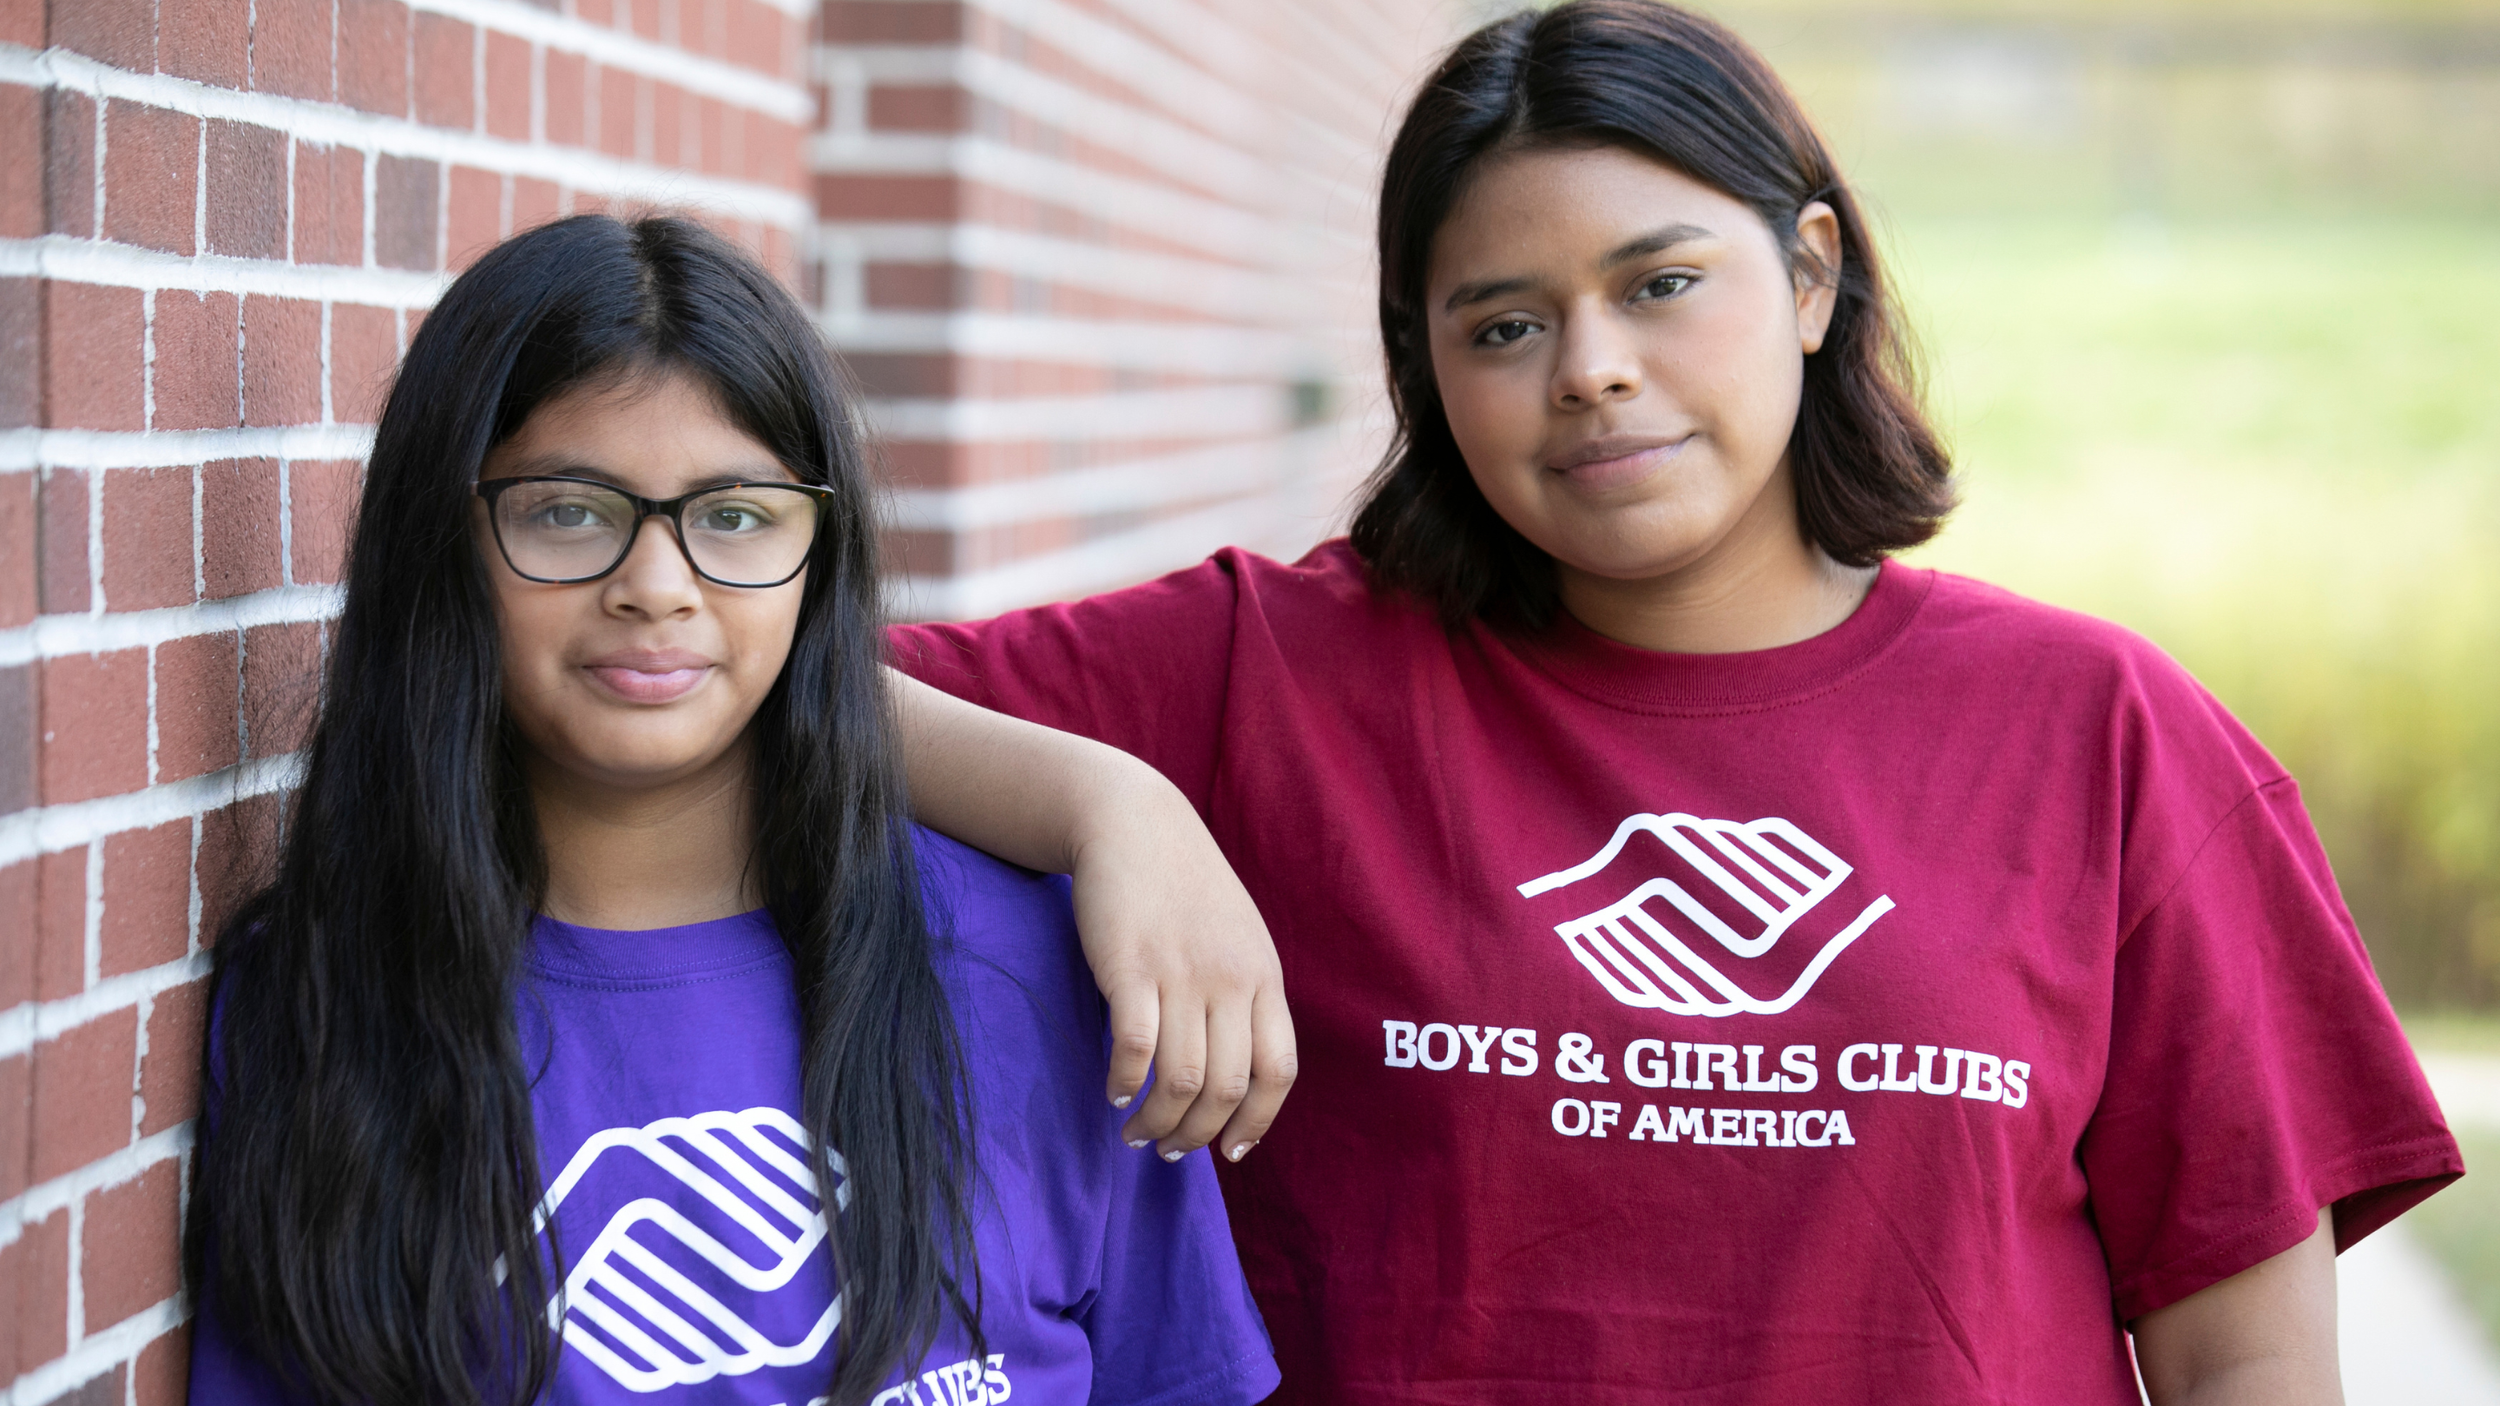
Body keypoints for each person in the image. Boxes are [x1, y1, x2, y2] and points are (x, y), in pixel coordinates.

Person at [886, 3, 2463, 1402]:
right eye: (1502, 324)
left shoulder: (2102, 731)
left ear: (1812, 276)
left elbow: (2243, 1350)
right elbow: (789, 688)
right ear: (1424, 369)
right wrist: (1111, 802)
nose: (1589, 368)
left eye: (1660, 284)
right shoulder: (1263, 674)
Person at [186, 215, 1281, 1406]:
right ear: (445, 539)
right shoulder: (318, 1003)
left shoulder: (1043, 971)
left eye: (735, 516)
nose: (656, 587)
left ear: (820, 555)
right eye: (567, 510)